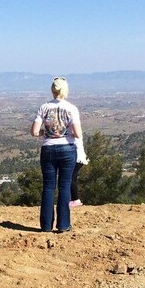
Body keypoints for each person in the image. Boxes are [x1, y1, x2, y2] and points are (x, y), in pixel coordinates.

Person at [30, 77, 83, 233]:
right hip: (67, 149)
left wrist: (47, 132)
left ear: (52, 90)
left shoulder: (44, 107)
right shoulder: (72, 108)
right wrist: (66, 132)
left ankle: (46, 226)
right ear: (65, 90)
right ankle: (63, 225)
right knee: (64, 187)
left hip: (48, 149)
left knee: (48, 187)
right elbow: (78, 134)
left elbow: (34, 132)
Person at [69, 137, 89, 207]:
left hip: (77, 158)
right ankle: (74, 199)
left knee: (70, 178)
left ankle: (75, 199)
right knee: (72, 178)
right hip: (79, 157)